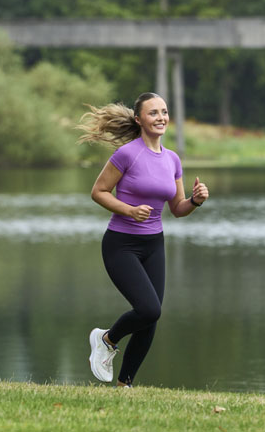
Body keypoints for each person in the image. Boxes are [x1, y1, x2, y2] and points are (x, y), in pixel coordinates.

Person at [80, 92, 209, 387]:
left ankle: (125, 385)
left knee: (150, 318)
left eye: (164, 112)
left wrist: (196, 200)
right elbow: (98, 192)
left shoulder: (173, 159)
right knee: (149, 308)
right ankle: (106, 338)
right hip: (121, 244)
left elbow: (177, 209)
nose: (161, 117)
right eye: (153, 113)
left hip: (154, 245)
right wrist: (129, 210)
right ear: (139, 120)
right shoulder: (127, 154)